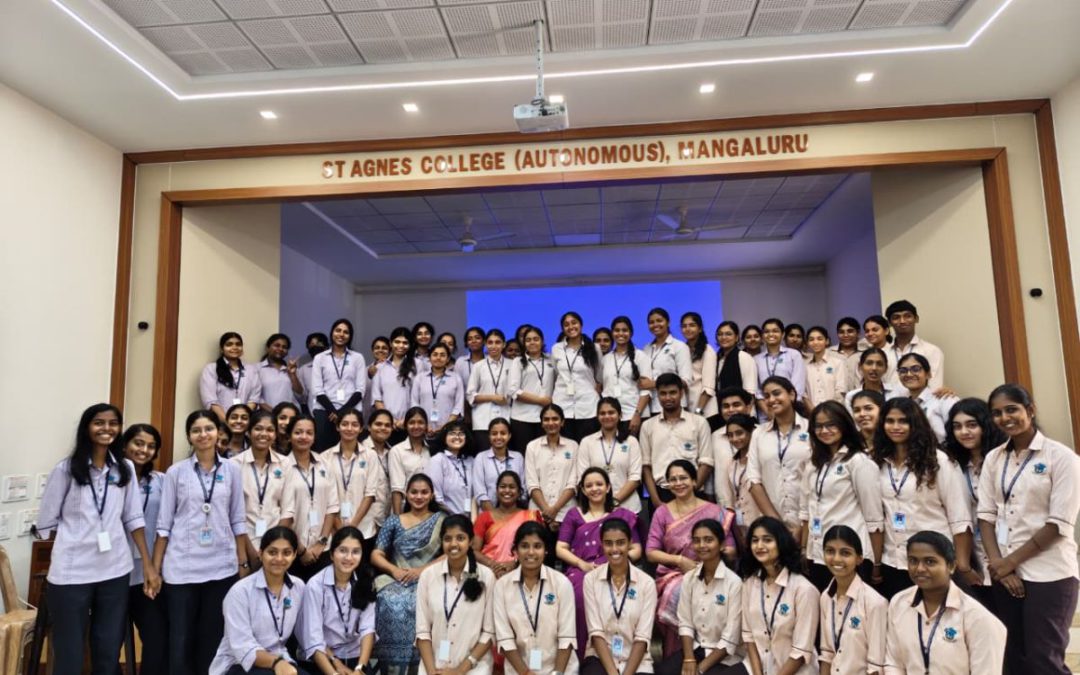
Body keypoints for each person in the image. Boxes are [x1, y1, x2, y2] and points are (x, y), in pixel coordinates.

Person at [37, 404, 156, 675]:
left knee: (107, 649)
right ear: (87, 427)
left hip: (115, 570)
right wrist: (73, 543)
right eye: (99, 422)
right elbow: (46, 522)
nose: (106, 429)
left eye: (113, 423)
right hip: (72, 573)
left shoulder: (124, 468)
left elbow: (134, 518)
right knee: (70, 652)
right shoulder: (66, 469)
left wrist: (148, 565)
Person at [977, 384, 1080, 675]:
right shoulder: (994, 458)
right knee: (1013, 659)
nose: (1004, 418)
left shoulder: (1061, 458)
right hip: (1004, 572)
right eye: (997, 413)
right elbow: (985, 516)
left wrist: (1009, 562)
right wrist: (1001, 566)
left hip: (1050, 572)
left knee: (1043, 659)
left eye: (1012, 409)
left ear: (1030, 410)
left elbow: (1058, 524)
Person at [154, 410, 250, 675]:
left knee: (212, 638)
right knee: (181, 640)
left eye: (209, 429)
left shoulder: (232, 470)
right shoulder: (176, 472)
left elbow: (238, 520)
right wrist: (155, 568)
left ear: (218, 433)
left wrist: (242, 563)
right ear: (189, 436)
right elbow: (164, 525)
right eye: (196, 430)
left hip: (221, 567)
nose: (203, 434)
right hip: (182, 568)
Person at [871, 398, 970, 600]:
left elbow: (960, 519)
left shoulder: (938, 461)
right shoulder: (878, 461)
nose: (895, 427)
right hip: (893, 560)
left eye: (903, 421)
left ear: (915, 424)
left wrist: (962, 565)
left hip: (933, 561)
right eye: (890, 421)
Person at [884, 531, 1005, 675]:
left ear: (951, 566)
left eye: (930, 561)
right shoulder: (899, 603)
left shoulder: (978, 618)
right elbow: (893, 663)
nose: (920, 568)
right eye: (913, 561)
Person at [646, 460, 734, 656]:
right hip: (674, 574)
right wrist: (680, 561)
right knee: (678, 591)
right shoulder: (662, 512)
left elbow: (730, 549)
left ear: (695, 481)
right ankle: (678, 655)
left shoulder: (715, 511)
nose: (678, 483)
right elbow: (651, 552)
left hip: (711, 573)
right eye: (673, 480)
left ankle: (709, 653)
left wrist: (707, 561)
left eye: (683, 478)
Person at [557, 467, 643, 657]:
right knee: (578, 595)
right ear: (583, 490)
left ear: (608, 487)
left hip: (617, 568)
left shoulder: (623, 515)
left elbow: (636, 549)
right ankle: (581, 654)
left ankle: (618, 654)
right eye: (589, 485)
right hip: (583, 569)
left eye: (599, 484)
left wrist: (615, 563)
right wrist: (582, 564)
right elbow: (560, 547)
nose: (594, 489)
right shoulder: (574, 514)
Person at [799, 402, 883, 591]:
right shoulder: (813, 463)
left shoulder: (858, 461)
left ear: (844, 425)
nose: (824, 431)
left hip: (849, 553)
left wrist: (876, 563)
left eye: (831, 424)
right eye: (819, 426)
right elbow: (805, 512)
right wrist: (804, 549)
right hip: (818, 552)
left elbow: (874, 518)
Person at [370, 473, 446, 675]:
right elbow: (376, 554)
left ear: (432, 495)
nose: (419, 496)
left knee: (423, 601)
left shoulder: (441, 520)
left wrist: (422, 571)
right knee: (389, 599)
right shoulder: (394, 521)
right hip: (396, 578)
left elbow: (450, 552)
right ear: (406, 494)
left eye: (424, 492)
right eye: (414, 492)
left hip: (429, 578)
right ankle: (392, 666)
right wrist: (394, 570)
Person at [209, 526, 308, 675]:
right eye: (272, 552)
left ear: (294, 555)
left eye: (286, 553)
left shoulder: (298, 587)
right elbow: (243, 646)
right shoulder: (240, 592)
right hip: (238, 664)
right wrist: (277, 663)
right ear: (261, 554)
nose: (279, 558)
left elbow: (307, 634)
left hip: (281, 660)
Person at [654, 518, 746, 675]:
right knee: (662, 672)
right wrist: (689, 659)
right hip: (696, 650)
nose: (702, 545)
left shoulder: (734, 583)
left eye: (708, 540)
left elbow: (730, 638)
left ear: (722, 545)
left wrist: (700, 669)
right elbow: (685, 623)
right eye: (697, 541)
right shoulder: (689, 578)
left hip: (724, 657)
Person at [492, 521, 579, 675]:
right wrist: (525, 673)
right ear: (515, 550)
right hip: (519, 671)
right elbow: (505, 639)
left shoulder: (561, 583)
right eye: (524, 546)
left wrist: (557, 673)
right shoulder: (502, 586)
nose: (531, 552)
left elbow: (567, 636)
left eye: (537, 546)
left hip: (560, 669)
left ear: (546, 550)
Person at [943, 398, 1006, 607]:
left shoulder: (1002, 459)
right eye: (957, 427)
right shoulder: (954, 463)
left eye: (971, 425)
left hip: (1006, 545)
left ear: (985, 426)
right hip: (973, 551)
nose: (964, 432)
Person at [416, 515, 496, 675]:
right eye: (448, 539)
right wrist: (432, 672)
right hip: (433, 667)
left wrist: (460, 671)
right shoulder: (428, 576)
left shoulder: (486, 577)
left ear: (471, 541)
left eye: (460, 538)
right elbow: (422, 631)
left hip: (473, 669)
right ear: (441, 542)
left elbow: (489, 632)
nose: (453, 544)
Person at [740, 516, 819, 675]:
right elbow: (749, 637)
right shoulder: (750, 584)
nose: (759, 546)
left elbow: (801, 651)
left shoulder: (804, 590)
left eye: (767, 540)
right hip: (756, 668)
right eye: (755, 540)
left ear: (781, 543)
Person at [121, 422, 169, 675]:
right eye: (138, 443)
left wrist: (156, 569)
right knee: (108, 642)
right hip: (114, 573)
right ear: (125, 445)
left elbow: (166, 526)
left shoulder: (161, 481)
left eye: (151, 446)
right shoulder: (111, 479)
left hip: (148, 575)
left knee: (156, 638)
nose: (144, 450)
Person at [581, 518, 657, 675]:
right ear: (602, 544)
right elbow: (596, 632)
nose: (615, 549)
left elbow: (642, 636)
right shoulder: (591, 580)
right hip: (600, 658)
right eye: (608, 543)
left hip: (637, 661)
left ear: (630, 543)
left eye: (621, 543)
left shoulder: (647, 583)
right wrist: (612, 672)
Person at [298, 526, 377, 674]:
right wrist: (335, 669)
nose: (349, 558)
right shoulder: (315, 586)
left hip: (356, 656)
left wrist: (360, 668)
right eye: (343, 551)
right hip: (322, 657)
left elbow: (368, 629)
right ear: (332, 554)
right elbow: (314, 640)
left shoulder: (366, 580)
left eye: (355, 552)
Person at [746, 376, 811, 540]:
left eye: (776, 393)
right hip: (773, 526)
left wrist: (803, 525)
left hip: (809, 521)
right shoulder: (758, 434)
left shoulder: (811, 429)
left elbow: (818, 479)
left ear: (792, 395)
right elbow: (753, 480)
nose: (771, 400)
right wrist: (778, 526)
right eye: (766, 396)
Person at [817, 525, 887, 675]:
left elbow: (876, 666)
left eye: (845, 553)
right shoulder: (825, 597)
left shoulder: (875, 603)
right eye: (830, 551)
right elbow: (827, 654)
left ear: (859, 559)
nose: (836, 558)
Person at [278, 415, 339, 581]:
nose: (304, 437)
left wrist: (321, 542)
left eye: (309, 433)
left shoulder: (325, 463)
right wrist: (301, 549)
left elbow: (332, 507)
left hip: (322, 550)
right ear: (289, 436)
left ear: (314, 436)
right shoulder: (281, 467)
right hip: (291, 549)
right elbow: (282, 513)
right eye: (298, 432)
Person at [640, 373, 714, 506]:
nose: (668, 397)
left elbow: (706, 462)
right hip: (661, 495)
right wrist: (656, 500)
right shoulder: (647, 426)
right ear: (658, 395)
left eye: (673, 392)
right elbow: (646, 467)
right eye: (663, 393)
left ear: (681, 393)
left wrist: (690, 493)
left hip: (693, 492)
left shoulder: (699, 423)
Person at [325, 409, 388, 561]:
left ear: (361, 429)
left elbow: (370, 494)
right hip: (334, 528)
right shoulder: (325, 457)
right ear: (337, 427)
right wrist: (339, 527)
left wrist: (352, 526)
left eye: (354, 425)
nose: (349, 428)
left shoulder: (370, 455)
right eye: (345, 424)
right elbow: (326, 498)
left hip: (363, 529)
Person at [233, 410, 293, 564]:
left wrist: (273, 547)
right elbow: (233, 514)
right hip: (244, 544)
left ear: (275, 434)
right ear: (248, 432)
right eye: (258, 428)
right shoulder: (234, 465)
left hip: (275, 546)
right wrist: (251, 553)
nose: (264, 434)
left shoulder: (285, 463)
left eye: (270, 430)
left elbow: (288, 510)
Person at [576, 398, 643, 514]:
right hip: (596, 509)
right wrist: (601, 503)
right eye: (602, 413)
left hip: (628, 508)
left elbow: (635, 477)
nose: (607, 416)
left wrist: (613, 501)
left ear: (620, 415)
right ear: (597, 416)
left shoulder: (631, 441)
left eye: (611, 412)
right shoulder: (587, 442)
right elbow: (583, 477)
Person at [311, 319, 368, 452]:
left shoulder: (357, 358)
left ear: (350, 336)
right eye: (338, 330)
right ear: (332, 333)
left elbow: (360, 389)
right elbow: (317, 389)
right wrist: (333, 411)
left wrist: (342, 412)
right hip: (325, 411)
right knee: (324, 451)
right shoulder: (320, 358)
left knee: (350, 450)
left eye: (346, 332)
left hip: (351, 410)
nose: (341, 334)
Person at [473, 470, 543, 576]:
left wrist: (515, 563)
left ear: (519, 492)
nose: (507, 490)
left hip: (522, 570)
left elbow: (539, 548)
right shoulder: (484, 517)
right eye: (503, 486)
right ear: (497, 491)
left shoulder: (531, 517)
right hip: (489, 572)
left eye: (512, 487)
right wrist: (492, 564)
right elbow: (474, 550)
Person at [525, 403, 579, 531]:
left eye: (555, 419)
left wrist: (555, 509)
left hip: (566, 512)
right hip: (538, 513)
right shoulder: (532, 447)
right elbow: (532, 483)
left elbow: (573, 483)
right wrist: (547, 510)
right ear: (542, 423)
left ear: (562, 422)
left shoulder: (573, 446)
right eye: (546, 419)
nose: (551, 423)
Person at [552, 311, 604, 442]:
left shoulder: (594, 348)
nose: (571, 327)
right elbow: (556, 373)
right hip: (563, 404)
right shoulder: (556, 348)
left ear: (581, 325)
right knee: (566, 446)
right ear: (562, 328)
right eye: (566, 324)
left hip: (588, 405)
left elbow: (599, 375)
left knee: (587, 445)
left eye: (574, 323)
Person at [508, 325, 556, 452]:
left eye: (536, 339)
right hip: (522, 417)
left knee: (545, 454)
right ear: (523, 343)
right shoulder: (518, 361)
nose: (532, 342)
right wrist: (540, 401)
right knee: (524, 454)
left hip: (546, 417)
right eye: (528, 340)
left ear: (542, 341)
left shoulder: (551, 359)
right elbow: (513, 391)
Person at [896, 353, 958, 444]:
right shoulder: (902, 405)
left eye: (915, 369)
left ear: (928, 374)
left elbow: (958, 431)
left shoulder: (944, 399)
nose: (909, 374)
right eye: (903, 370)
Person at [883, 300, 945, 390]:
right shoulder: (883, 354)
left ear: (916, 319)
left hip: (921, 399)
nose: (902, 321)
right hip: (890, 399)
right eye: (896, 317)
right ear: (889, 323)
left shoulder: (932, 351)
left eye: (907, 316)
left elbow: (935, 387)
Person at [201, 332, 263, 421]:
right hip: (220, 423)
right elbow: (211, 401)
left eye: (238, 344)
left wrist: (242, 419)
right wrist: (228, 422)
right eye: (229, 344)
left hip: (244, 423)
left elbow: (254, 398)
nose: (234, 347)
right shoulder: (211, 369)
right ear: (221, 349)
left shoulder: (251, 370)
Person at [372, 326, 417, 446]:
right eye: (397, 342)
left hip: (411, 424)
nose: (401, 346)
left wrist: (406, 420)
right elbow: (377, 399)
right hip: (386, 425)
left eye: (405, 343)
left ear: (410, 345)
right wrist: (389, 420)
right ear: (390, 343)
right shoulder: (380, 367)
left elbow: (419, 397)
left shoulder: (417, 365)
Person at [468, 328, 512, 452]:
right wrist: (492, 397)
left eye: (497, 342)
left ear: (504, 344)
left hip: (506, 416)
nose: (493, 346)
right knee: (484, 455)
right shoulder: (478, 366)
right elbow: (470, 395)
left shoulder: (512, 364)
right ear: (485, 344)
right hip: (482, 419)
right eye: (490, 342)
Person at [710, 387, 755, 507]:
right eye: (726, 406)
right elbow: (711, 472)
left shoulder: (760, 434)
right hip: (726, 505)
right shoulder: (715, 437)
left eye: (736, 405)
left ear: (748, 407)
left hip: (757, 505)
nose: (731, 410)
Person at [411, 342, 465, 441]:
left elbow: (458, 406)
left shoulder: (456, 378)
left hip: (448, 430)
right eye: (435, 354)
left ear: (448, 359)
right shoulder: (420, 378)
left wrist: (446, 426)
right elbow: (414, 403)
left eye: (442, 355)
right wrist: (424, 425)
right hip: (423, 429)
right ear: (429, 358)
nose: (438, 358)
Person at [719, 414, 759, 548]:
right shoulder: (731, 463)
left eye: (739, 433)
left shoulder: (759, 460)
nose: (735, 439)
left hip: (761, 522)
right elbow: (730, 499)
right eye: (730, 435)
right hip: (741, 525)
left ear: (751, 432)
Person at [644, 308, 692, 414]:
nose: (655, 324)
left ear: (668, 322)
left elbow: (686, 380)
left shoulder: (679, 346)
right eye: (651, 322)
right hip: (652, 407)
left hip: (675, 406)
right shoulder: (646, 349)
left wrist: (654, 384)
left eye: (659, 321)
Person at [472, 418, 525, 513]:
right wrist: (496, 517)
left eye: (503, 433)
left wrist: (511, 515)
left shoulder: (518, 457)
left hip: (515, 514)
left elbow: (523, 490)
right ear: (489, 436)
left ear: (509, 436)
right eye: (494, 433)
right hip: (488, 514)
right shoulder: (481, 458)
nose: (499, 437)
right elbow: (480, 493)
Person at [753, 319, 806, 413]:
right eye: (767, 331)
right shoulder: (756, 359)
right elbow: (757, 390)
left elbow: (798, 386)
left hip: (791, 410)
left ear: (783, 334)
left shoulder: (794, 355)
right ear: (762, 335)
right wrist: (768, 412)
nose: (771, 334)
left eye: (775, 331)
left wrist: (786, 410)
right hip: (765, 412)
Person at [388, 407, 432, 514]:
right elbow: (397, 489)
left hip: (429, 509)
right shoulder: (397, 451)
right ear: (405, 426)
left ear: (426, 426)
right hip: (406, 509)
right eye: (412, 422)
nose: (416, 426)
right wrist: (398, 519)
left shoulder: (432, 450)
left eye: (420, 422)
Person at [427, 421, 476, 515]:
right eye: (452, 433)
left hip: (471, 518)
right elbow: (437, 497)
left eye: (461, 434)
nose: (457, 437)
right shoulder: (438, 460)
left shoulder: (471, 461)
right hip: (447, 517)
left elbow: (476, 494)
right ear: (444, 437)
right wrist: (455, 518)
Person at [713, 321, 758, 422]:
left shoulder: (744, 357)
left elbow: (750, 391)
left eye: (728, 334)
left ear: (737, 337)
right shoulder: (716, 359)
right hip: (724, 413)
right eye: (720, 334)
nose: (723, 337)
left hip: (743, 415)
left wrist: (746, 414)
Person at [682, 312, 718, 419]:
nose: (688, 329)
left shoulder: (707, 350)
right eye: (684, 326)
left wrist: (698, 411)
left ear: (700, 329)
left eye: (692, 325)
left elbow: (708, 386)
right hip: (687, 409)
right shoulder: (682, 349)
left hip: (705, 410)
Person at [803, 326, 846, 409]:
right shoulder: (804, 365)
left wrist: (829, 411)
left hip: (833, 411)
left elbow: (840, 390)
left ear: (827, 341)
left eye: (820, 339)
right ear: (808, 343)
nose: (815, 342)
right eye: (811, 339)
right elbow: (803, 393)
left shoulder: (837, 363)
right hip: (811, 412)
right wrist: (812, 411)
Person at [259, 333, 303, 410]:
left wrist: (292, 375)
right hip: (268, 414)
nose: (280, 349)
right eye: (277, 345)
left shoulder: (292, 370)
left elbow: (300, 394)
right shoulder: (257, 369)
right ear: (268, 348)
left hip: (292, 414)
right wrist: (274, 413)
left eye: (284, 347)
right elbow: (256, 397)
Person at [828, 317, 864, 392]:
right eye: (841, 332)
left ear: (858, 333)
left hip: (860, 396)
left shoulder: (865, 353)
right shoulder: (829, 353)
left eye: (850, 331)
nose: (846, 335)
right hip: (835, 397)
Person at [456, 326, 487, 402]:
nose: (473, 341)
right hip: (465, 404)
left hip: (487, 403)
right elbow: (457, 387)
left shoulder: (490, 361)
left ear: (484, 341)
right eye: (470, 339)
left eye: (477, 338)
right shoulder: (461, 362)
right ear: (466, 343)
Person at [861, 317, 892, 384]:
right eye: (867, 331)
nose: (870, 334)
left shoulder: (895, 352)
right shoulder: (864, 354)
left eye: (875, 330)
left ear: (886, 331)